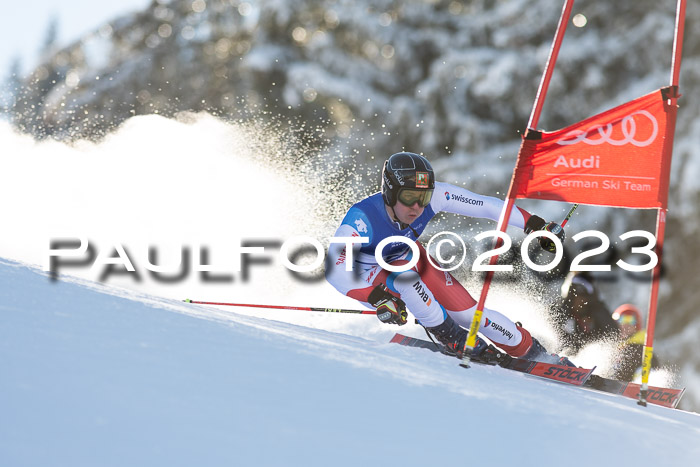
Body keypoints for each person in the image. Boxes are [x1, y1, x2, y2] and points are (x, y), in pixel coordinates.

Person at [325, 151, 571, 364]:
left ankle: (536, 353)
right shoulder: (361, 218)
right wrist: (376, 298)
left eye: (423, 198)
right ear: (390, 192)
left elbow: (485, 205)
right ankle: (453, 338)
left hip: (407, 257)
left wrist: (533, 224)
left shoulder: (436, 197)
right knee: (406, 277)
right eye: (409, 197)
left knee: (469, 315)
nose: (417, 207)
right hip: (369, 279)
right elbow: (335, 270)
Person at [553, 271, 620, 353]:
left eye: (585, 296)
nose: (582, 301)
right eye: (576, 295)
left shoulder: (597, 314)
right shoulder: (559, 313)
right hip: (561, 359)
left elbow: (613, 335)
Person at [611, 303, 659, 381]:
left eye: (630, 320)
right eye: (622, 320)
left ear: (637, 324)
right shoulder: (613, 347)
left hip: (633, 385)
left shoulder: (640, 350)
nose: (626, 324)